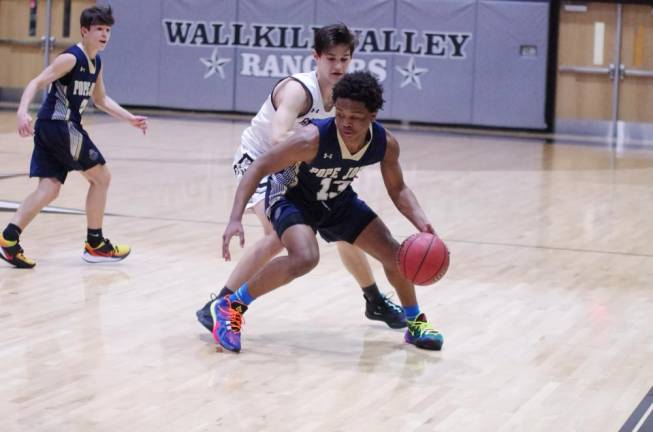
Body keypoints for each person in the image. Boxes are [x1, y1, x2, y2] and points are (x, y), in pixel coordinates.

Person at [213, 71, 444, 353]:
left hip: (337, 200)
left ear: (372, 115)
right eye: (341, 114)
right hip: (291, 197)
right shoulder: (311, 139)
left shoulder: (384, 144)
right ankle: (231, 306)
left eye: (356, 116)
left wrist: (422, 222)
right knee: (305, 258)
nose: (346, 122)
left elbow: (398, 189)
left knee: (396, 256)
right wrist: (235, 218)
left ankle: (415, 323)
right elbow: (259, 166)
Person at [196, 24, 405, 330]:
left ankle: (373, 299)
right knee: (279, 237)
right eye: (330, 58)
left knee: (346, 225)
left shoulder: (346, 94)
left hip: (303, 165)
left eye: (344, 59)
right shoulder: (298, 91)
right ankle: (218, 305)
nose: (337, 66)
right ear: (315, 57)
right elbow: (279, 138)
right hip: (262, 161)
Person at [0, 5, 148, 269]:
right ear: (84, 31)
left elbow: (100, 99)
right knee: (102, 177)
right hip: (60, 125)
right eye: (99, 29)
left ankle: (8, 239)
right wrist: (22, 111)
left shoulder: (96, 62)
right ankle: (96, 244)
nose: (104, 35)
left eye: (107, 30)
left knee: (50, 189)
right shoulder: (70, 58)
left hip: (51, 128)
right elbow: (36, 82)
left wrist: (129, 118)